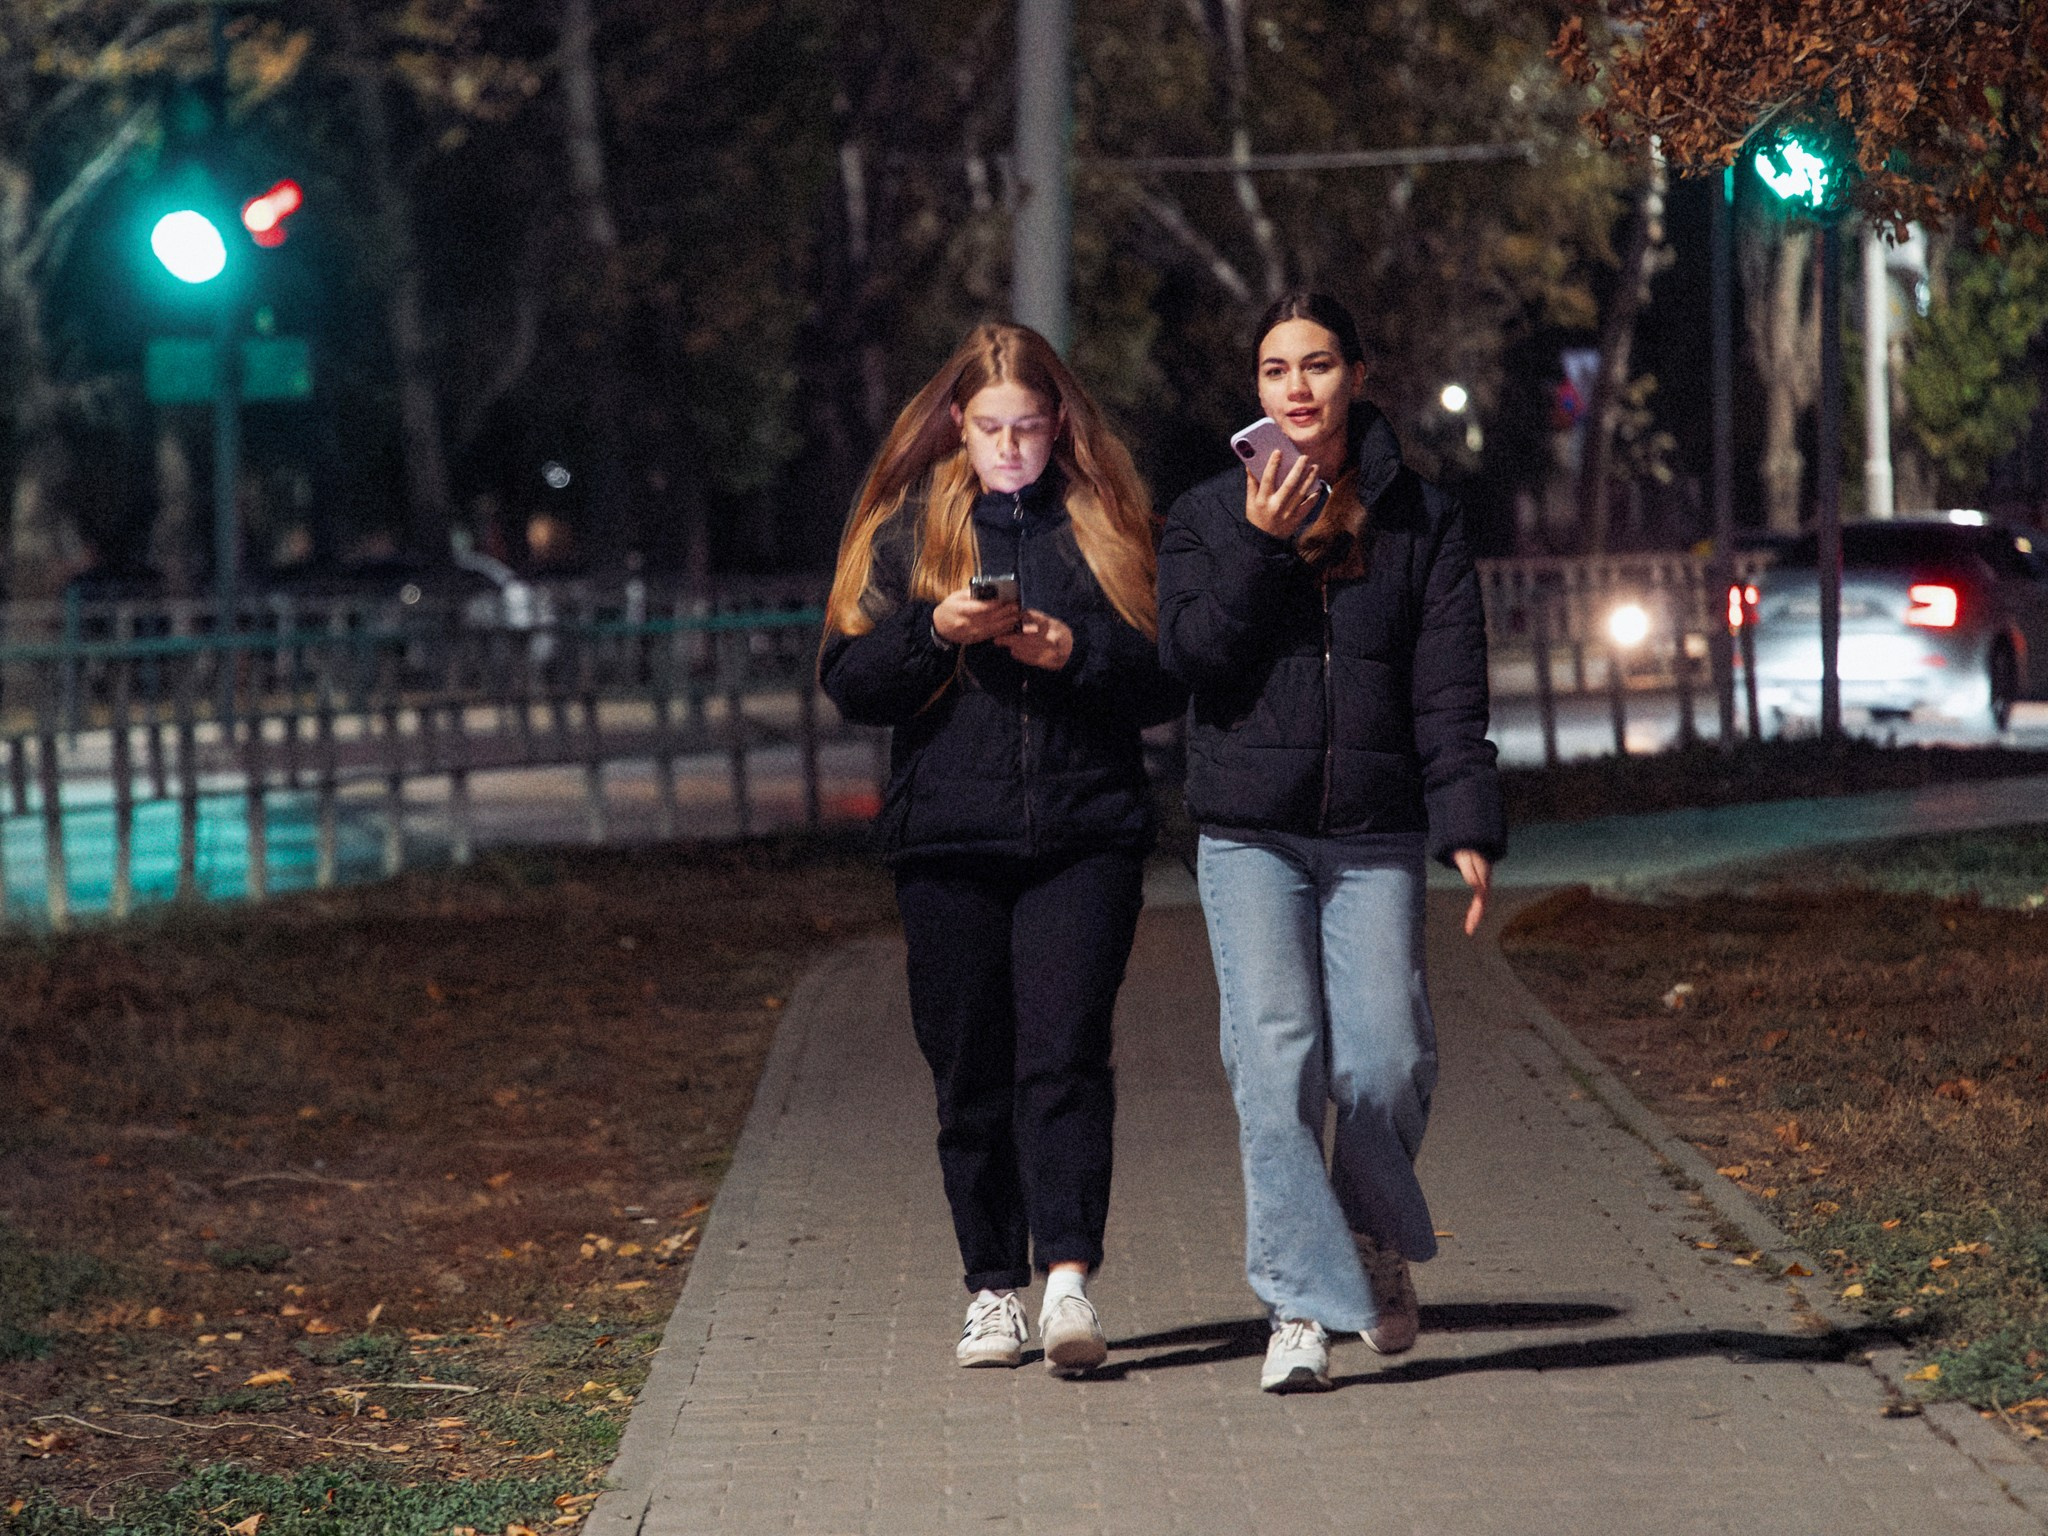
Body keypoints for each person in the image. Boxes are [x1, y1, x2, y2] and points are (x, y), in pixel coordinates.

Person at [1156, 292, 1503, 1393]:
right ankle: (1298, 1307)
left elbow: (1447, 687)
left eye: (1315, 365)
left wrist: (1466, 819)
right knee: (1277, 1063)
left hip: (1372, 829)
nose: (1295, 388)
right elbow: (1191, 661)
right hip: (1247, 834)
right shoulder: (1205, 516)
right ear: (1255, 389)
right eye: (1274, 370)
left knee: (1386, 1061)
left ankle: (1361, 1236)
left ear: (1357, 374)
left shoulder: (1421, 519)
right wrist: (1260, 546)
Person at [819, 321, 1181, 1377]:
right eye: (989, 428)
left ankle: (1067, 1283)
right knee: (968, 1066)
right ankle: (991, 1289)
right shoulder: (906, 532)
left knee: (1063, 1055)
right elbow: (848, 682)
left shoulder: (1105, 523)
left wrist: (1076, 651)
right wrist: (936, 632)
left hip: (1084, 833)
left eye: (1026, 426)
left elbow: (1169, 675)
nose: (1010, 447)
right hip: (947, 839)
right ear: (956, 425)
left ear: (1058, 423)